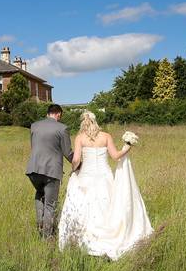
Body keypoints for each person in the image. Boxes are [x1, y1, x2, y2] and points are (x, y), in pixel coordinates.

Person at [57, 110, 153, 259]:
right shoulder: (106, 136)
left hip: (86, 177)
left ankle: (88, 238)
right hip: (104, 176)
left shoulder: (80, 138)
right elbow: (115, 156)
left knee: (85, 206)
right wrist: (127, 148)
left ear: (83, 122)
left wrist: (74, 170)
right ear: (96, 121)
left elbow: (75, 160)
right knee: (107, 205)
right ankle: (109, 234)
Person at [25, 104, 73, 239]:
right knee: (51, 204)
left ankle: (40, 222)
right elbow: (67, 152)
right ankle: (47, 237)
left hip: (33, 169)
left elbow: (34, 146)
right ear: (58, 114)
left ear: (48, 113)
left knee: (40, 193)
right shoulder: (62, 128)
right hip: (52, 170)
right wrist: (79, 163)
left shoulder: (34, 126)